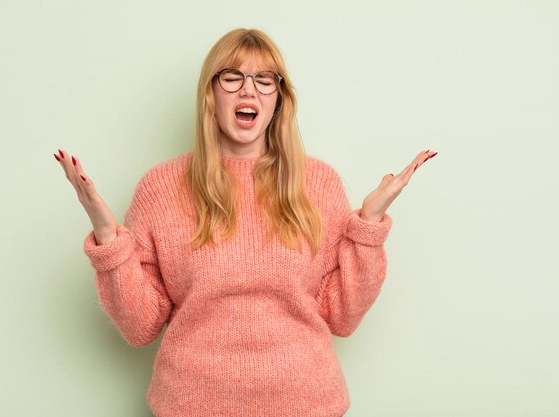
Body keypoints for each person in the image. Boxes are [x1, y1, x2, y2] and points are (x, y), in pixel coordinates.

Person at [54, 28, 437, 417]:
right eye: (232, 77)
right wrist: (108, 240)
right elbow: (140, 327)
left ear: (279, 100)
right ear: (210, 94)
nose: (248, 92)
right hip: (190, 405)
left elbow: (342, 316)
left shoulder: (319, 184)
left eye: (264, 80)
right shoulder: (161, 188)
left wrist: (368, 227)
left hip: (307, 404)